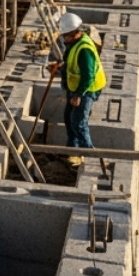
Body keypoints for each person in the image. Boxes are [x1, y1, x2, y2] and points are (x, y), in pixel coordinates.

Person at [47, 12, 105, 164]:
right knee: (68, 117)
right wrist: (59, 67)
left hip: (87, 88)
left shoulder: (84, 50)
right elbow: (70, 63)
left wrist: (78, 95)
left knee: (78, 121)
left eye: (64, 36)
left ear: (73, 33)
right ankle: (73, 151)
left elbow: (88, 76)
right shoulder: (74, 44)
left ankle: (90, 155)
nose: (63, 39)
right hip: (75, 86)